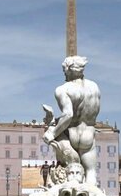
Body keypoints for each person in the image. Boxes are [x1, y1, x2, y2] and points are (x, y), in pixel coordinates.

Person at [42, 56, 101, 185]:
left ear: (68, 70)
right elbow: (95, 112)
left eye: (64, 71)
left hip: (72, 135)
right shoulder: (94, 87)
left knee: (70, 174)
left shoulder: (63, 89)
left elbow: (68, 115)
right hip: (88, 134)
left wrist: (52, 133)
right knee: (90, 172)